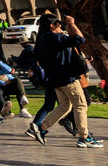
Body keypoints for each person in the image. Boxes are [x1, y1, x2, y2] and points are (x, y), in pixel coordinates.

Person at [31, 14, 100, 148]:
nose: (61, 27)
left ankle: (42, 128)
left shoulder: (41, 40)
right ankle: (84, 137)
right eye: (58, 24)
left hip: (55, 79)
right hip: (67, 78)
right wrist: (72, 24)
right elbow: (80, 38)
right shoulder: (54, 38)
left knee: (65, 106)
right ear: (52, 25)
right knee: (81, 105)